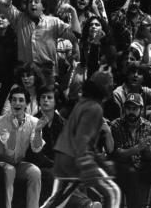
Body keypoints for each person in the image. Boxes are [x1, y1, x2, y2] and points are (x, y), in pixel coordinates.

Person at [42, 71, 120, 208]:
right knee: (112, 193)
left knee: (55, 202)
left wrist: (101, 161)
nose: (112, 87)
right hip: (74, 161)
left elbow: (86, 142)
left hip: (65, 159)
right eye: (110, 84)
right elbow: (81, 142)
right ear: (103, 88)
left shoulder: (84, 104)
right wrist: (89, 167)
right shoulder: (94, 108)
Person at [0, 0, 81, 84]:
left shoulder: (54, 22)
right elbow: (2, 3)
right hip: (26, 72)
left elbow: (76, 34)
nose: (33, 4)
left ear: (43, 6)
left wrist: (73, 11)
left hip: (48, 73)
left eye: (36, 1)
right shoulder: (19, 19)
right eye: (30, 1)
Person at [0, 86, 45, 208]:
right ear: (10, 102)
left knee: (35, 172)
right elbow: (8, 151)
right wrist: (14, 130)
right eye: (14, 100)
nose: (17, 103)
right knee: (10, 170)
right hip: (0, 163)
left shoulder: (33, 121)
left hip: (18, 163)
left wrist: (37, 132)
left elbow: (36, 148)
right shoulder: (1, 122)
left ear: (26, 104)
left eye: (21, 100)